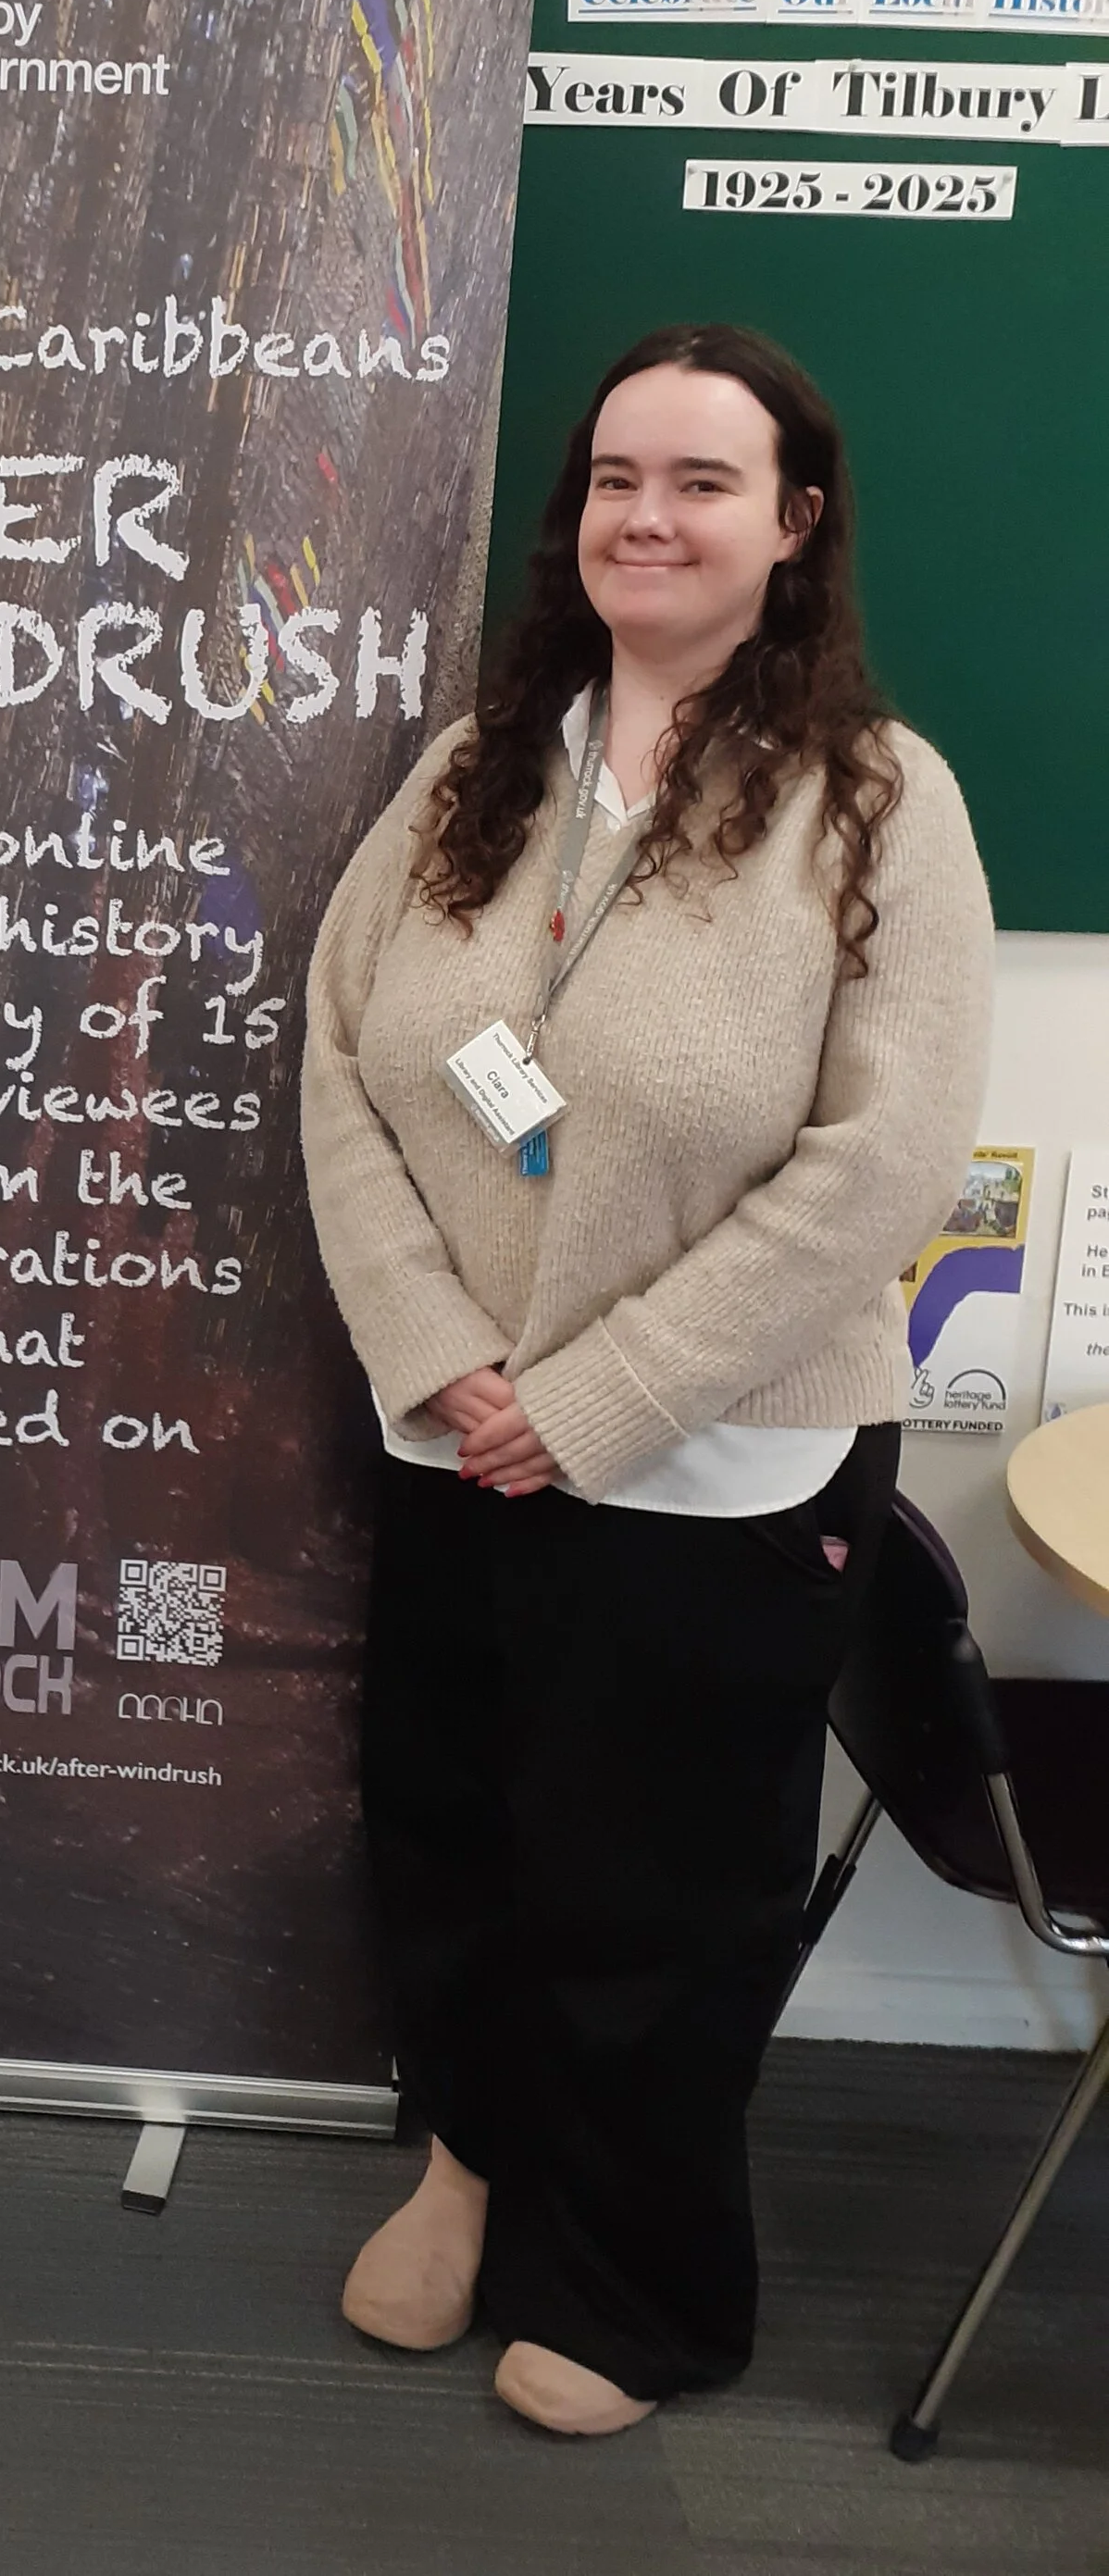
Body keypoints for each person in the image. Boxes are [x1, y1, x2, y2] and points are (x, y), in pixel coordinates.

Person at [300, 325, 992, 2432]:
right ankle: (465, 2162)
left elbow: (874, 1165)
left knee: (653, 1899)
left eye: (699, 481)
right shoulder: (471, 767)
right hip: (454, 1442)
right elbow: (336, 1060)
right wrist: (441, 1360)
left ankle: (641, 2284)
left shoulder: (873, 802)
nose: (643, 517)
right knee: (450, 1833)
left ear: (791, 525)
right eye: (613, 476)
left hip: (711, 1468)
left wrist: (584, 1400)